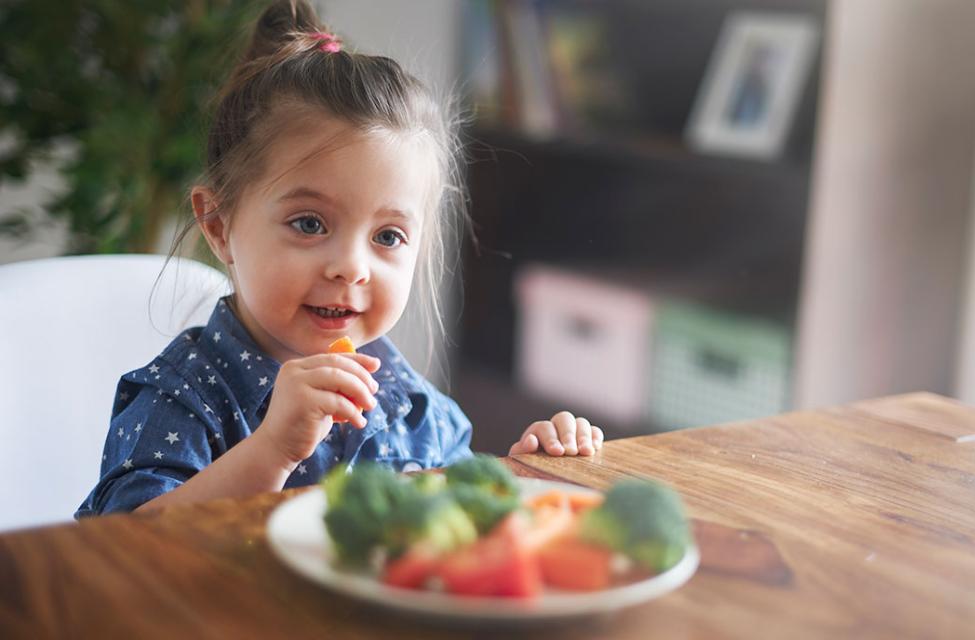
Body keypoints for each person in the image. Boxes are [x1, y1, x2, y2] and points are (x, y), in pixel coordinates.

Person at [76, 0, 602, 518]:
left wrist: (526, 474)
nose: (351, 267)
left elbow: (457, 525)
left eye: (389, 236)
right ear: (219, 226)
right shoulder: (184, 395)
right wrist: (273, 450)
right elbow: (123, 551)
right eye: (310, 224)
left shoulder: (409, 402)